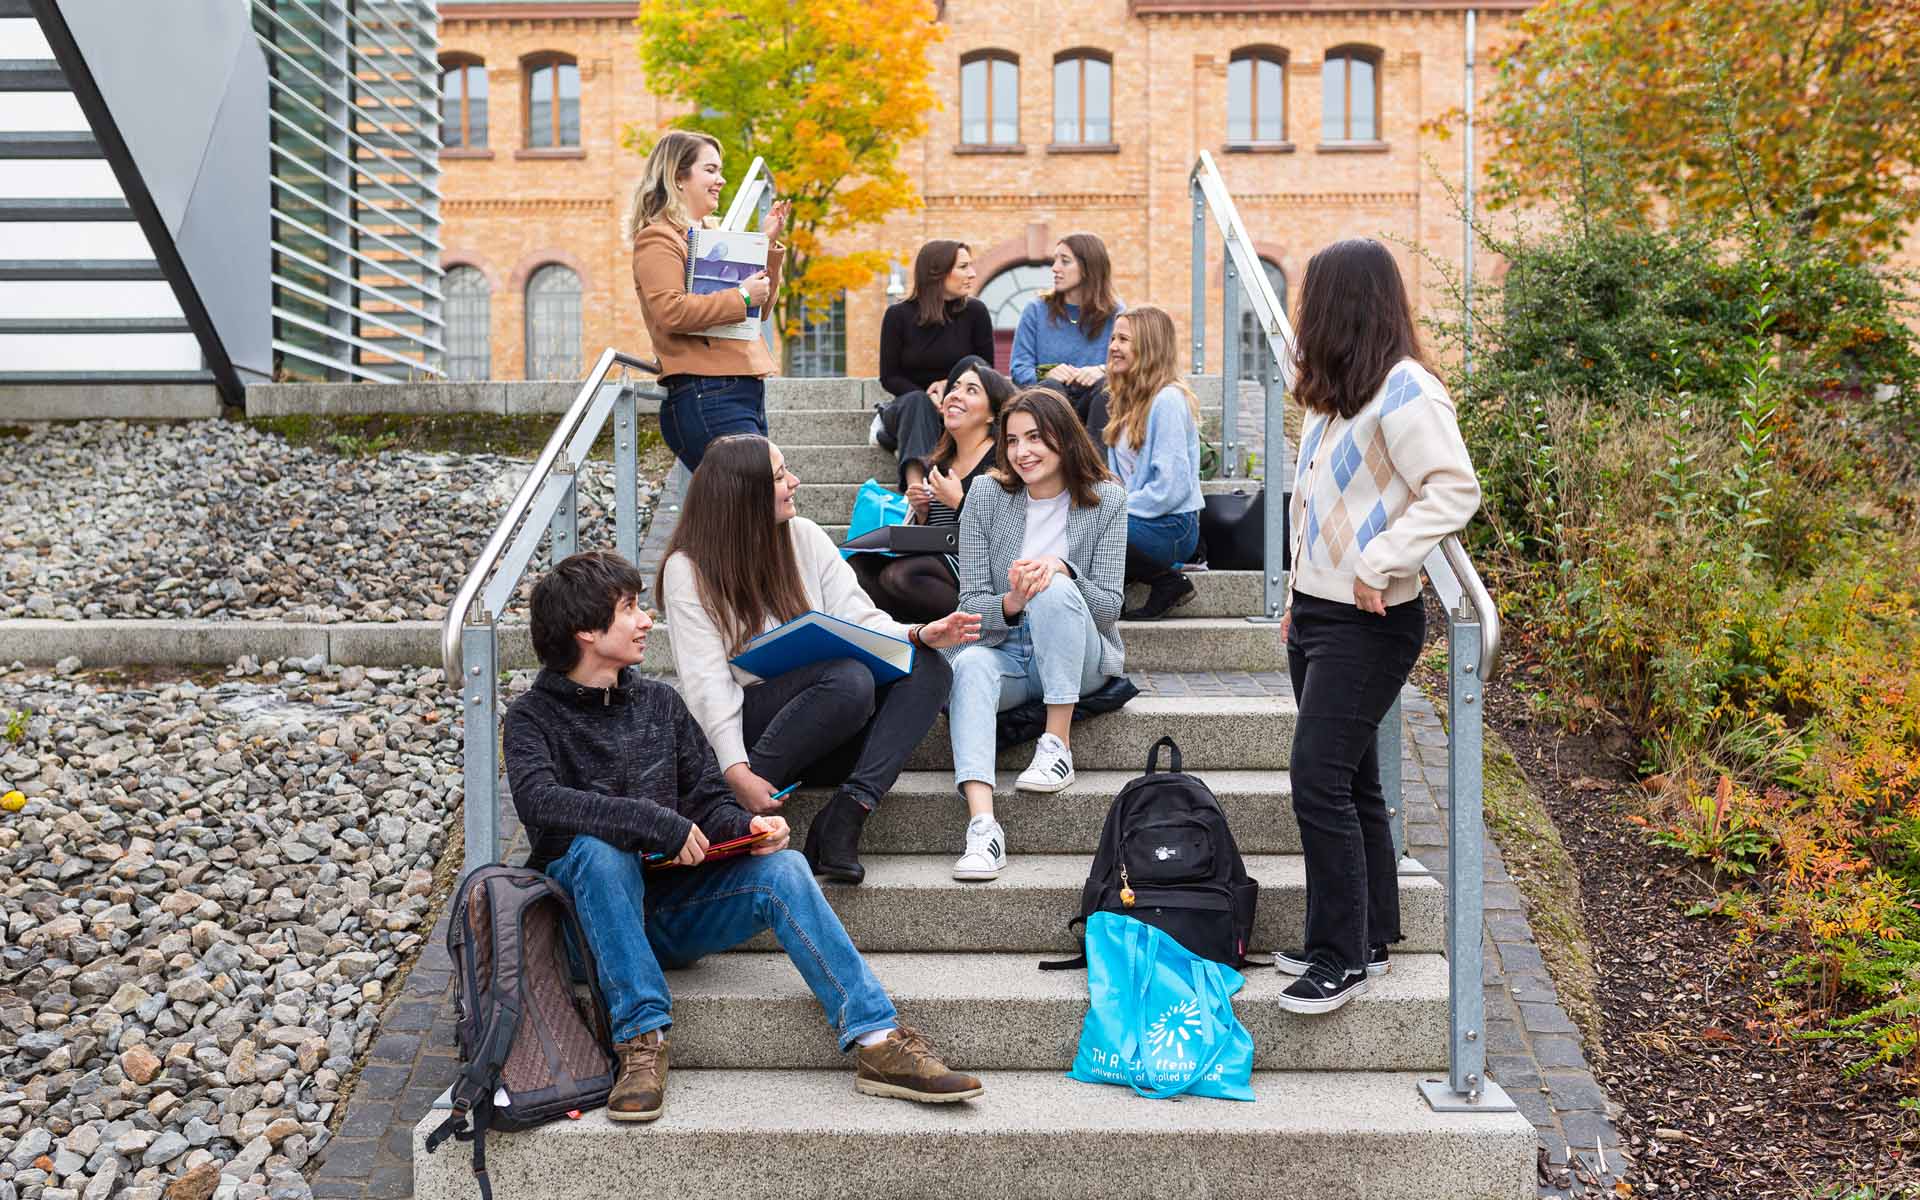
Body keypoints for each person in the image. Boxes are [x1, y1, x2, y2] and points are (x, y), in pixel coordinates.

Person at [503, 551, 985, 1121]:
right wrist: (655, 822)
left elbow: (708, 797)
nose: (646, 621)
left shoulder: (659, 703)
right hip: (585, 930)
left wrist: (746, 827)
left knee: (784, 868)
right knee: (598, 851)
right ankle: (639, 1040)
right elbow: (542, 802)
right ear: (586, 630)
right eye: (630, 608)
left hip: (668, 914)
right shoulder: (532, 717)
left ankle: (878, 1040)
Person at [1274, 238, 1481, 1016]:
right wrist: (1298, 591)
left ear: (1342, 303)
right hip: (1318, 614)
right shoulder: (1335, 397)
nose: (1303, 313)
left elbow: (1454, 489)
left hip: (1371, 619)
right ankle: (1368, 936)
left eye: (1313, 297)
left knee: (1317, 778)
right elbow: (1315, 505)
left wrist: (1381, 560)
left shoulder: (1406, 390)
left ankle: (1340, 957)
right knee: (1353, 781)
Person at [657, 434, 981, 885]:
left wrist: (918, 633)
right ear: (744, 493)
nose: (795, 481)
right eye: (779, 476)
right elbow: (706, 684)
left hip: (831, 724)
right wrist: (737, 772)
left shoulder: (804, 536)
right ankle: (731, 815)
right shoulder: (688, 568)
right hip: (754, 735)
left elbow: (859, 618)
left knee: (927, 665)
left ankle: (846, 814)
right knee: (848, 678)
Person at [944, 389, 1127, 881]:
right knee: (969, 665)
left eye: (1035, 438)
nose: (1022, 452)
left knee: (1053, 585)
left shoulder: (1106, 499)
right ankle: (983, 828)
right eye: (1012, 440)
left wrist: (1063, 570)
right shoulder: (986, 495)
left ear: (1064, 439)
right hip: (1006, 649)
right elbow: (970, 603)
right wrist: (1011, 602)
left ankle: (1056, 744)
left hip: (1078, 655)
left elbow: (1109, 609)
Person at [628, 130, 793, 472]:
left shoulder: (714, 237)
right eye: (710, 170)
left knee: (755, 499)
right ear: (678, 176)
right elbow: (670, 312)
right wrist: (741, 295)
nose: (721, 179)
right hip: (706, 392)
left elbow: (758, 310)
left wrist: (765, 246)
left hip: (739, 388)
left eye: (720, 170)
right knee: (753, 496)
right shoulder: (658, 238)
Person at [852, 356, 1014, 623]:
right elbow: (936, 533)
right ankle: (916, 635)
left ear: (991, 414)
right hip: (936, 560)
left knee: (902, 575)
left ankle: (983, 626)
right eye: (955, 387)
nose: (955, 395)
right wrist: (922, 512)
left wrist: (959, 501)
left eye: (971, 390)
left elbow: (1009, 532)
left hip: (979, 567)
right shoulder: (941, 461)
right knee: (859, 569)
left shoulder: (1003, 461)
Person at [1101, 306, 1205, 620]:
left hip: (1172, 525)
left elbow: (1171, 488)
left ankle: (1168, 582)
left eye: (1123, 340)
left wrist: (1115, 506)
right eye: (1113, 338)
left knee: (1094, 525)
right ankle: (1112, 591)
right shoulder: (1126, 401)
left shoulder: (1168, 401)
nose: (1113, 346)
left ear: (1148, 346)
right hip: (1141, 518)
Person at [874, 241, 994, 480]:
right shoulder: (898, 315)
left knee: (973, 363)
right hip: (909, 407)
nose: (972, 274)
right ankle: (916, 487)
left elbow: (986, 370)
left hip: (958, 404)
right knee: (918, 402)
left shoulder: (976, 312)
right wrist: (928, 396)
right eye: (963, 267)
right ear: (937, 272)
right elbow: (889, 377)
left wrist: (949, 387)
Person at [1008, 234, 1123, 448]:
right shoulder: (1036, 310)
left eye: (1065, 261)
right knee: (1051, 387)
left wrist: (1101, 370)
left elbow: (1130, 364)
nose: (1054, 268)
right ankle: (1061, 459)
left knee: (1107, 387)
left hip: (1095, 405)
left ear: (1088, 268)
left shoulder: (1116, 313)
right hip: (1048, 405)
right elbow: (1019, 369)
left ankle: (1098, 464)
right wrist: (1047, 373)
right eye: (1055, 260)